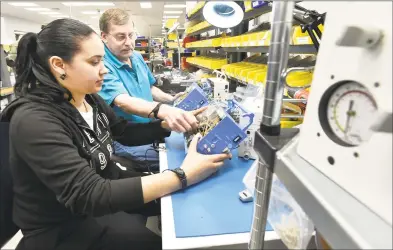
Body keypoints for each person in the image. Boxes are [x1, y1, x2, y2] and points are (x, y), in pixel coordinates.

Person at [0, 18, 231, 250]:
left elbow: (122, 131)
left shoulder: (88, 97)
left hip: (102, 189)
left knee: (174, 203)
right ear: (59, 65)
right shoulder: (35, 120)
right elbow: (89, 194)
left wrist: (167, 125)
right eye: (94, 62)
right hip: (64, 226)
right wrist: (184, 174)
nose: (105, 70)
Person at [98, 8, 189, 171]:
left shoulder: (136, 57)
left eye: (131, 35)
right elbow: (123, 102)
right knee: (181, 163)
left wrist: (171, 99)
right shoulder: (102, 66)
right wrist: (163, 110)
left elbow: (149, 86)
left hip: (150, 129)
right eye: (120, 37)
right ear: (104, 37)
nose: (128, 42)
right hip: (126, 139)